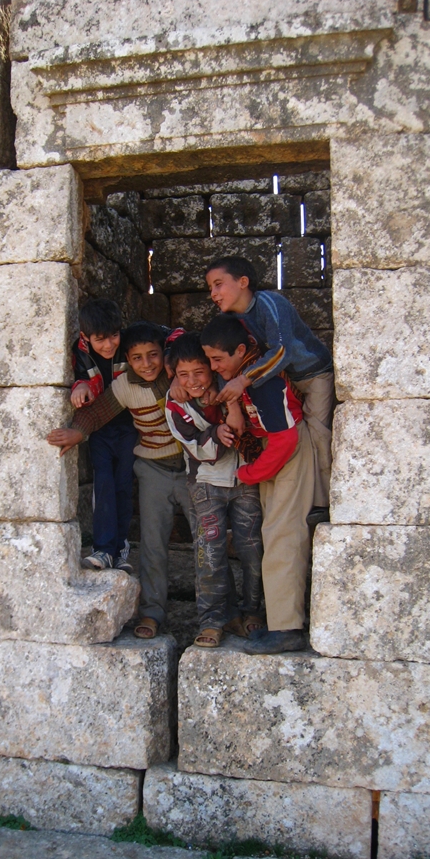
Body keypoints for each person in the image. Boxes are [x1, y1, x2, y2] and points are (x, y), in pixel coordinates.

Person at [47, 321, 189, 640]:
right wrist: (78, 431)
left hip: (195, 469)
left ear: (164, 353)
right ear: (127, 359)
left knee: (209, 541)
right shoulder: (125, 385)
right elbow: (98, 413)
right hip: (153, 469)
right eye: (137, 357)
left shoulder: (179, 373)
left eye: (153, 355)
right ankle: (152, 613)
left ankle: (217, 615)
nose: (147, 363)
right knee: (153, 546)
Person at [200, 315, 314, 655]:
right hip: (272, 453)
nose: (213, 366)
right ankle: (280, 621)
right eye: (209, 360)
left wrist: (250, 473)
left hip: (286, 453)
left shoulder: (263, 383)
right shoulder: (240, 379)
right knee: (274, 533)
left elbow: (285, 438)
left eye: (218, 360)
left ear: (239, 351)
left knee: (283, 535)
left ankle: (288, 629)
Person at [205, 255, 334, 524]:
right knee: (304, 437)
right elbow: (223, 363)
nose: (213, 294)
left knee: (319, 434)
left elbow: (282, 351)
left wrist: (243, 382)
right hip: (283, 381)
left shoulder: (269, 303)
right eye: (210, 288)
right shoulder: (230, 319)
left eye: (218, 284)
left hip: (313, 374)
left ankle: (325, 503)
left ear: (243, 282)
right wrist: (232, 406)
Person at [165, 332, 264, 649]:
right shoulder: (176, 405)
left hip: (246, 479)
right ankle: (212, 620)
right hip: (206, 483)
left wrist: (230, 406)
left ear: (212, 367)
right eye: (184, 375)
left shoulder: (229, 385)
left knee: (252, 549)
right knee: (210, 554)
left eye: (199, 372)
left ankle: (251, 612)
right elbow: (202, 450)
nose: (192, 381)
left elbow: (243, 427)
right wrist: (217, 431)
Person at [69, 298, 137, 572]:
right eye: (100, 340)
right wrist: (80, 386)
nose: (109, 345)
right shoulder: (80, 352)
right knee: (104, 486)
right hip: (99, 429)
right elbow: (80, 377)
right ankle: (103, 549)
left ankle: (120, 549)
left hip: (129, 427)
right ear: (85, 338)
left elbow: (167, 338)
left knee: (123, 485)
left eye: (114, 336)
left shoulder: (131, 342)